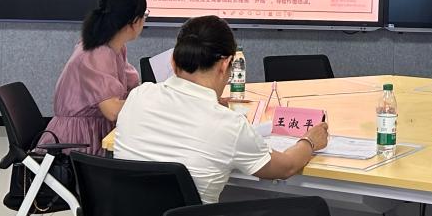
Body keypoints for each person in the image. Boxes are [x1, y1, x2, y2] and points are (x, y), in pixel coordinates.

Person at [115, 15, 329, 203]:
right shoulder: (228, 125)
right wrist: (310, 141)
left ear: (173, 61)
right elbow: (286, 167)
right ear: (225, 64)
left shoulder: (138, 97)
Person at [43, 0, 146, 155]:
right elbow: (112, 110)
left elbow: (132, 86)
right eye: (145, 15)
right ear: (134, 21)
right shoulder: (97, 52)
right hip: (78, 141)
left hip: (95, 130)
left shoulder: (114, 47)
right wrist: (151, 103)